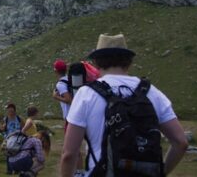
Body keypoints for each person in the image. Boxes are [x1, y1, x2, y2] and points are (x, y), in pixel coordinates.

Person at [60, 34, 189, 177]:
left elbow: (69, 154)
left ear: (95, 62)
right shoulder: (151, 92)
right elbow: (181, 143)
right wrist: (161, 172)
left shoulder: (86, 94)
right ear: (129, 62)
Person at [52, 59, 73, 129]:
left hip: (69, 116)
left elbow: (68, 100)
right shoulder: (69, 79)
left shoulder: (60, 84)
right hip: (75, 113)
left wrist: (56, 97)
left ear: (55, 71)